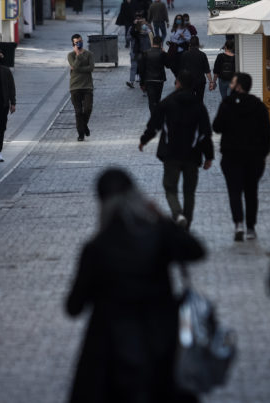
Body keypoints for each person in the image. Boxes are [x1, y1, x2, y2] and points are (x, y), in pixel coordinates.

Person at [66, 169, 205, 403]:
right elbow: (196, 251)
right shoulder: (159, 235)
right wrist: (162, 218)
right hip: (162, 346)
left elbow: (73, 307)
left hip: (109, 357)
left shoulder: (97, 248)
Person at [139, 71, 214, 228]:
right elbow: (205, 133)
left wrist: (144, 140)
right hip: (192, 155)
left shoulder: (167, 102)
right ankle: (186, 223)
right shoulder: (198, 105)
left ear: (177, 83)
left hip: (171, 153)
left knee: (170, 187)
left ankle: (177, 213)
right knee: (189, 191)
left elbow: (154, 125)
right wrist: (209, 156)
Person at [212, 72, 270, 241]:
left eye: (232, 83)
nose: (230, 85)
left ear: (238, 86)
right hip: (254, 157)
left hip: (231, 155)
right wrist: (263, 153)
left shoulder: (227, 104)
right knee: (251, 192)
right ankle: (251, 228)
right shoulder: (258, 105)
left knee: (234, 191)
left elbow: (216, 127)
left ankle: (238, 223)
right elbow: (267, 132)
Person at [68, 34, 95, 142]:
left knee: (88, 108)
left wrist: (77, 68)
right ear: (73, 44)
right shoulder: (70, 55)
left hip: (87, 86)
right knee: (78, 111)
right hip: (75, 86)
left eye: (80, 41)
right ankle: (81, 133)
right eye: (76, 42)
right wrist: (78, 55)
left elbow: (91, 68)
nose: (79, 44)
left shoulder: (89, 54)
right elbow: (74, 66)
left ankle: (83, 125)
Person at [139, 36, 172, 116]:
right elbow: (168, 65)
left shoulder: (145, 53)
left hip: (149, 79)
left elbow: (142, 69)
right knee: (157, 98)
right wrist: (166, 53)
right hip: (159, 79)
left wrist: (142, 83)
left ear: (152, 43)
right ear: (161, 44)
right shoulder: (162, 53)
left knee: (151, 100)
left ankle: (153, 115)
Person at [180, 36, 214, 103]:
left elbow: (181, 70)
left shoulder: (184, 55)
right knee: (199, 101)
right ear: (198, 44)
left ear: (190, 44)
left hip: (188, 82)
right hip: (200, 81)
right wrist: (211, 82)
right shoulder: (202, 55)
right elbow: (207, 71)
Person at [128, 13, 153, 89]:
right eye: (137, 20)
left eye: (140, 20)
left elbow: (152, 38)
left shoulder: (148, 30)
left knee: (144, 68)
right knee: (134, 66)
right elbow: (131, 34)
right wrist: (134, 25)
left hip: (146, 52)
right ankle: (132, 81)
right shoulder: (137, 30)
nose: (139, 21)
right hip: (136, 50)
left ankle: (143, 82)